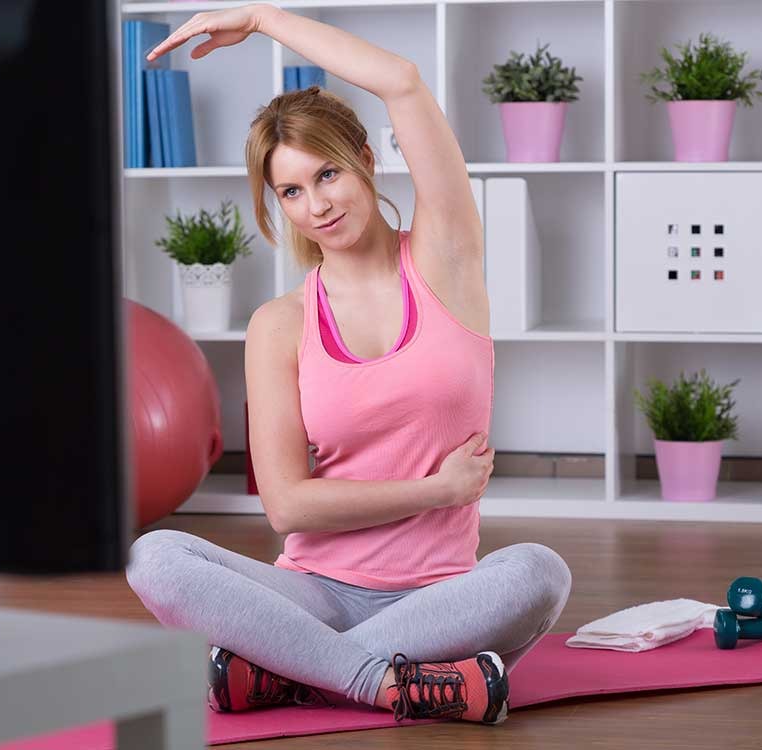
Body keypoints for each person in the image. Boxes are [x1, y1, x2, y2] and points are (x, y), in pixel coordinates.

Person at [126, 3, 572, 727]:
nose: (317, 205)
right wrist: (436, 490)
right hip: (314, 591)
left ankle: (290, 669)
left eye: (327, 173)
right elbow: (288, 507)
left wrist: (264, 18)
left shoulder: (445, 259)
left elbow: (401, 80)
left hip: (439, 595)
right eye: (291, 192)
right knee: (153, 556)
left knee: (539, 574)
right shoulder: (280, 325)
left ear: (366, 158)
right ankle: (383, 680)